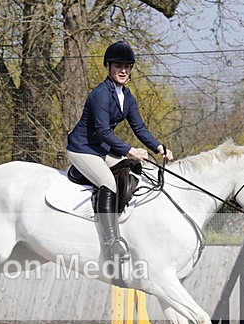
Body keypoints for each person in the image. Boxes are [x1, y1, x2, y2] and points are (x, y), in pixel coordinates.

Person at [67, 40, 173, 277]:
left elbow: (140, 128)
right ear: (109, 67)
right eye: (118, 66)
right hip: (82, 148)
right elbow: (104, 131)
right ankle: (111, 243)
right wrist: (129, 150)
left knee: (134, 169)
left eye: (127, 66)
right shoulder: (100, 95)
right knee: (109, 183)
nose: (123, 70)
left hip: (100, 148)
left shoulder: (126, 95)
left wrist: (159, 147)